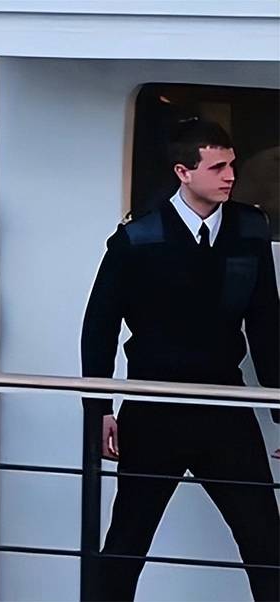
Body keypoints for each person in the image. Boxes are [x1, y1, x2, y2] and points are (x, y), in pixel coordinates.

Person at [81, 118, 279, 601]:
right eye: (217, 167)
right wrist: (99, 408)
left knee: (267, 543)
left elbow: (267, 324)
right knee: (127, 543)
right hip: (155, 407)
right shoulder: (138, 237)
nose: (230, 176)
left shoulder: (249, 229)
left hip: (224, 404)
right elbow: (99, 325)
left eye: (231, 164)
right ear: (183, 172)